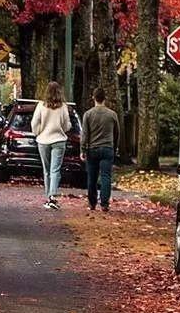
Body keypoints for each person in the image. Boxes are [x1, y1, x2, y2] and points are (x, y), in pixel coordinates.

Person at [31, 81, 72, 210]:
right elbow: (66, 124)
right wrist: (63, 129)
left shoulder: (41, 106)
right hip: (59, 140)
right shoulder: (63, 107)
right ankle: (52, 196)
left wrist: (38, 132)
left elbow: (34, 122)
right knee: (55, 169)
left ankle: (48, 196)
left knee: (47, 170)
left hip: (43, 140)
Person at [80, 87, 120, 214]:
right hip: (107, 148)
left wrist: (83, 149)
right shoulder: (112, 115)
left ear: (93, 98)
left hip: (92, 149)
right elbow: (117, 133)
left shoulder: (88, 114)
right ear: (105, 99)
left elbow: (85, 134)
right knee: (106, 176)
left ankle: (92, 203)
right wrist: (115, 148)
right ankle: (104, 203)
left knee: (91, 177)